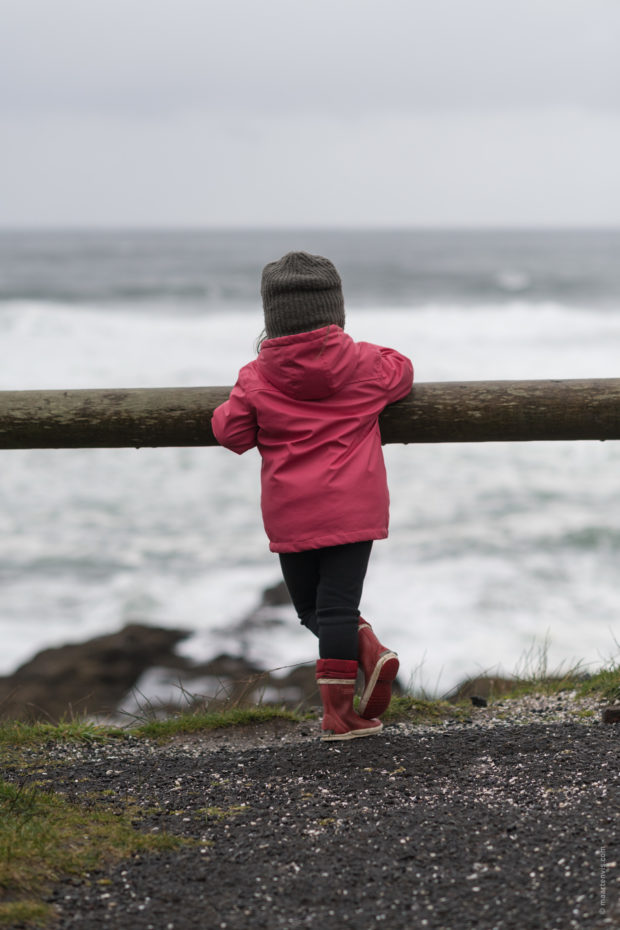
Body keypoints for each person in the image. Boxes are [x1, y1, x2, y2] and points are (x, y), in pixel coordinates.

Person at [212, 251, 413, 741]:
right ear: (336, 310)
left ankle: (341, 708)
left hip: (291, 513)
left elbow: (231, 433)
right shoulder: (365, 364)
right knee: (337, 608)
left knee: (312, 610)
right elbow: (403, 370)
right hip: (353, 509)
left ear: (271, 318)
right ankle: (358, 669)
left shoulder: (256, 376)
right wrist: (357, 346)